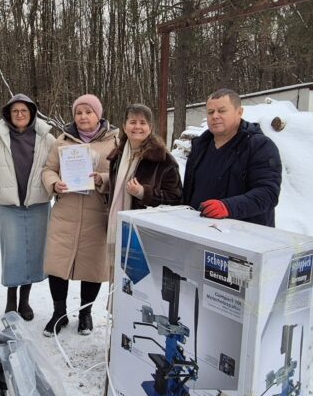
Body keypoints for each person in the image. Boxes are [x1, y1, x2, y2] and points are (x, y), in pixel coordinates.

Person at [41, 94, 119, 336]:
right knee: (57, 265)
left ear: (98, 115)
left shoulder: (115, 142)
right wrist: (54, 183)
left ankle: (85, 313)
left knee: (92, 266)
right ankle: (59, 313)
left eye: (88, 112)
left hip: (97, 214)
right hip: (65, 212)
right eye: (79, 112)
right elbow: (48, 169)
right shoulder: (62, 141)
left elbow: (120, 174)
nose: (83, 117)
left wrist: (102, 179)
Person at [0, 94, 55, 321]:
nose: (20, 114)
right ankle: (11, 299)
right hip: (11, 206)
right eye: (15, 111)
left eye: (24, 110)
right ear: (8, 114)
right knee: (13, 254)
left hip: (38, 204)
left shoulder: (47, 138)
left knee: (33, 254)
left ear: (32, 113)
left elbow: (55, 167)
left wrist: (51, 187)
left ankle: (25, 300)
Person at [182, 88, 282, 227]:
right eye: (210, 112)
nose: (215, 116)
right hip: (199, 229)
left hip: (243, 233)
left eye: (222, 111)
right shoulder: (200, 146)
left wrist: (228, 207)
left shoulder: (259, 146)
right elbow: (189, 192)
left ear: (239, 112)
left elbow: (268, 194)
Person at [95, 103, 182, 257]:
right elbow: (121, 185)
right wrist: (103, 180)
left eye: (143, 123)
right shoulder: (118, 155)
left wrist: (143, 193)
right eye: (132, 122)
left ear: (150, 127)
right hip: (118, 227)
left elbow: (175, 198)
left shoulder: (163, 160)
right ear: (124, 126)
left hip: (146, 235)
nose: (137, 127)